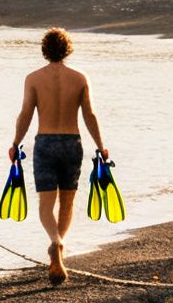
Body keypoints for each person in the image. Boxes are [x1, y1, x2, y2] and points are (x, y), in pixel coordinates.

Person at [10, 28, 108, 285]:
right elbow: (90, 115)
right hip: (71, 143)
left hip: (45, 143)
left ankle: (55, 242)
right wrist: (101, 146)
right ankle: (60, 246)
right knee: (67, 202)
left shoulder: (33, 78)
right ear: (67, 49)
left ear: (44, 49)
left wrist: (15, 143)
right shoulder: (79, 78)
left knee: (45, 203)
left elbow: (26, 114)